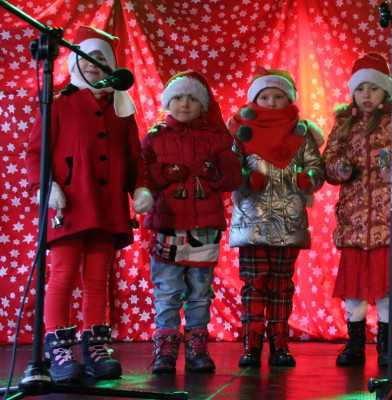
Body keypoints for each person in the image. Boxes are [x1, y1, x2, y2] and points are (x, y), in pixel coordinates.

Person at [25, 25, 152, 382]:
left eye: (101, 60)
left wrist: (139, 188)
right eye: (87, 59)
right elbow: (37, 150)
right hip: (68, 203)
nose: (94, 66)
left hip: (106, 205)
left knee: (97, 278)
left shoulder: (121, 108)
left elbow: (133, 159)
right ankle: (57, 347)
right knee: (63, 275)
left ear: (112, 66)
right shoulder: (60, 101)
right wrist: (44, 186)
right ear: (74, 62)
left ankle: (95, 345)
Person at [322, 52, 392, 367]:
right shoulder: (345, 123)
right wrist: (339, 168)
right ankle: (355, 342)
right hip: (354, 221)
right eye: (360, 89)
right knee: (354, 286)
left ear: (386, 90)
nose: (366, 95)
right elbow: (328, 162)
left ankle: (386, 342)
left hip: (389, 222)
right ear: (353, 92)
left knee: (386, 286)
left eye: (373, 88)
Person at [141, 70, 241, 374]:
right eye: (178, 98)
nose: (184, 104)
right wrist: (165, 174)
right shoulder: (155, 138)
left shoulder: (216, 139)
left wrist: (211, 172)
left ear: (203, 105)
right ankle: (166, 344)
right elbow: (142, 175)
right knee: (168, 289)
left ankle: (198, 342)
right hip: (169, 225)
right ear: (167, 103)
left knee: (200, 290)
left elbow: (233, 178)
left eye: (192, 99)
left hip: (204, 229)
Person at [228, 67, 325, 368]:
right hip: (252, 221)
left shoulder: (302, 132)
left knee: (282, 284)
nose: (271, 102)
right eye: (265, 96)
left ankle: (279, 343)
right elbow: (229, 167)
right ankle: (252, 344)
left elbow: (317, 168)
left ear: (290, 100)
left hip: (288, 221)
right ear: (254, 99)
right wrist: (245, 179)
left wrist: (308, 178)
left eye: (278, 97)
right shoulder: (241, 131)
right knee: (255, 283)